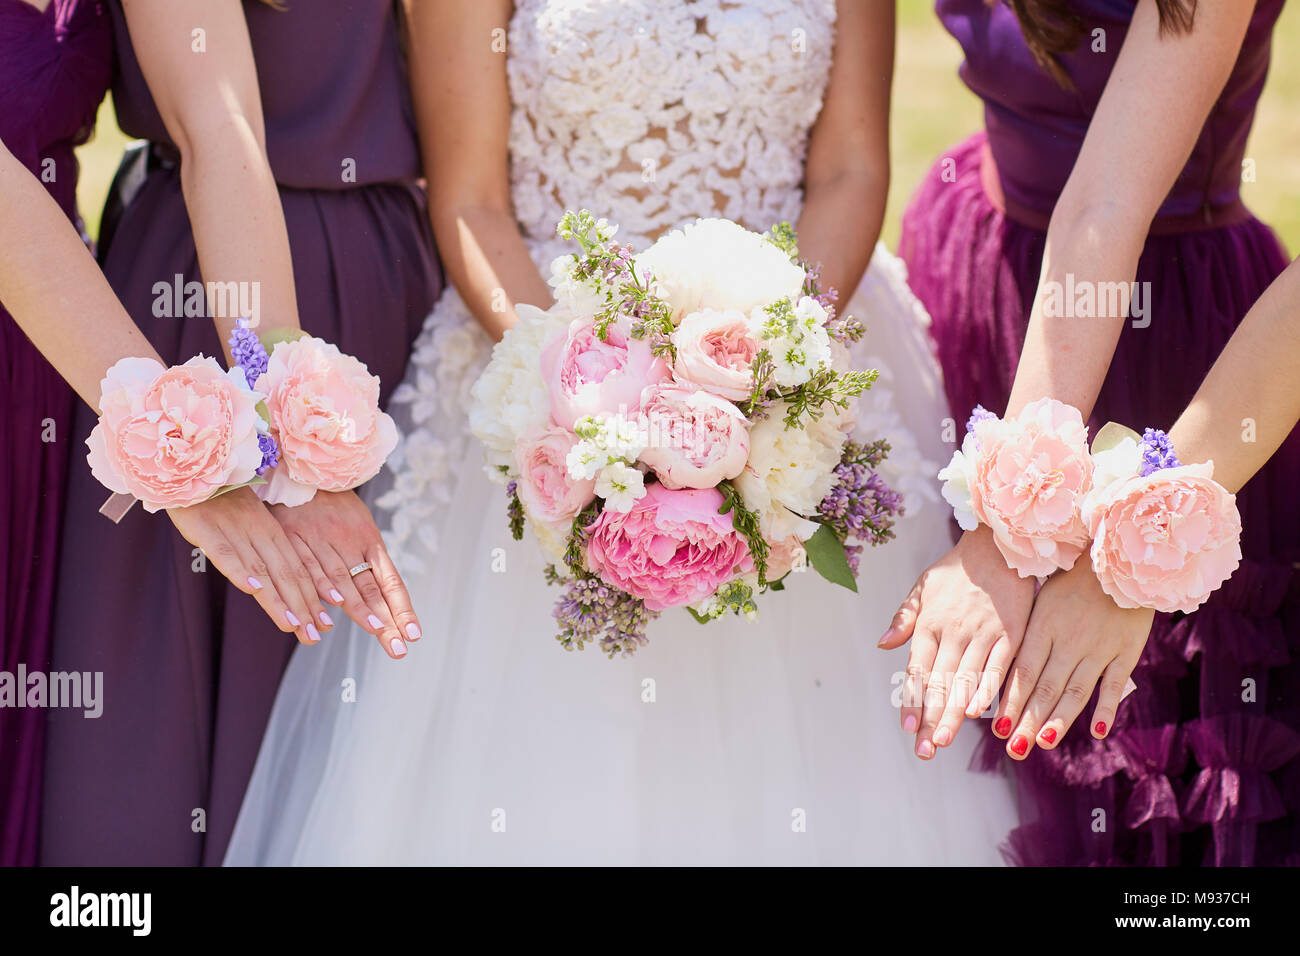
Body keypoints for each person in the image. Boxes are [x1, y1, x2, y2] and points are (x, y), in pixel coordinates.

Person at [228, 0, 1018, 866]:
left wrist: (772, 372)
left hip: (798, 346)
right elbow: (471, 202)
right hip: (539, 350)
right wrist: (583, 394)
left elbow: (852, 171)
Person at [889, 0, 1296, 865]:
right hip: (990, 281)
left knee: (1143, 777)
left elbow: (1105, 206)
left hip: (1174, 341)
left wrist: (1086, 530)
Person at [40, 0, 442, 865]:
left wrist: (304, 438)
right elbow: (218, 127)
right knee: (155, 701)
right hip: (189, 291)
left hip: (382, 278)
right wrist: (258, 436)